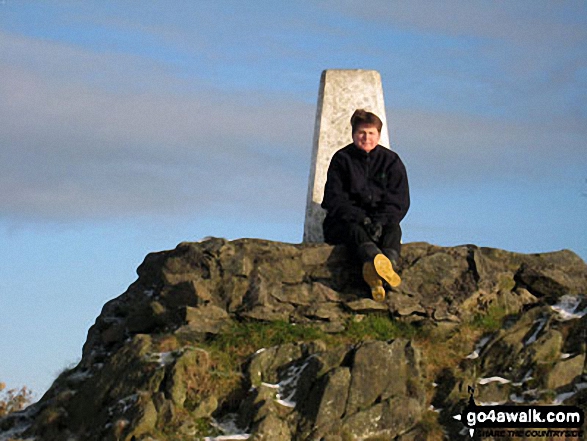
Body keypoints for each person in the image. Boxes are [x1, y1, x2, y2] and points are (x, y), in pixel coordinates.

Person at [321, 109, 410, 302]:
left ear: (378, 135)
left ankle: (381, 271)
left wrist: (380, 221)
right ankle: (378, 264)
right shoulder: (342, 160)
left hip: (381, 222)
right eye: (362, 132)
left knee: (393, 230)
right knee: (354, 230)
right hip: (346, 223)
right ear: (353, 134)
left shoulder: (391, 161)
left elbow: (399, 200)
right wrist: (362, 219)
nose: (366, 137)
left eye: (371, 133)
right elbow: (334, 199)